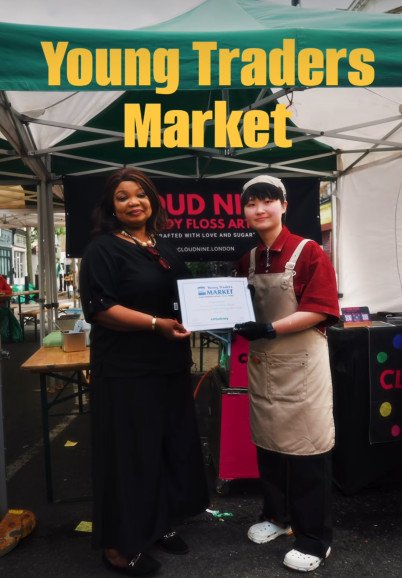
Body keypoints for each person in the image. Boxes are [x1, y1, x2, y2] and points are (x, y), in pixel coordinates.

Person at [79, 168, 209, 577]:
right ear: (111, 207)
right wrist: (156, 324)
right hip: (125, 370)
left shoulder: (163, 247)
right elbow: (101, 309)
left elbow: (182, 298)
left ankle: (160, 524)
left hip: (168, 366)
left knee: (168, 448)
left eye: (140, 194)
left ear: (152, 201)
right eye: (122, 196)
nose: (133, 202)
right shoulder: (103, 249)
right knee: (130, 456)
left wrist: (206, 312)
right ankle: (119, 547)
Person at [234, 175, 339, 573]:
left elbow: (321, 308)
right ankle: (277, 517)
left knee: (309, 449)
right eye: (251, 204)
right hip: (265, 367)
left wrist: (270, 328)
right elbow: (233, 303)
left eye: (267, 202)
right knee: (270, 445)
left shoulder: (308, 253)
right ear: (243, 212)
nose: (259, 210)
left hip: (302, 367)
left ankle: (315, 537)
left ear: (283, 205)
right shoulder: (250, 259)